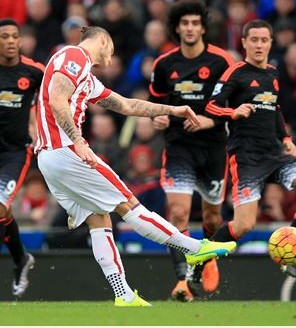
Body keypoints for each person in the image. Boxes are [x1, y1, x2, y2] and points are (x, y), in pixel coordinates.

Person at [34, 26, 236, 306]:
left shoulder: (87, 79)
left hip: (48, 158)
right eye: (111, 49)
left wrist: (172, 110)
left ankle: (123, 294)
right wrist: (79, 142)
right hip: (67, 150)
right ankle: (194, 248)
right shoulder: (75, 55)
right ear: (102, 40)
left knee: (99, 219)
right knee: (129, 205)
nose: (111, 56)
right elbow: (57, 98)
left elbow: (127, 106)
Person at [205, 19, 296, 278]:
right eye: (254, 40)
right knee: (243, 225)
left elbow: (274, 109)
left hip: (274, 153)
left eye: (264, 40)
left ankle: (289, 246)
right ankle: (201, 261)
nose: (259, 45)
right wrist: (233, 111)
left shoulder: (273, 74)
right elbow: (210, 106)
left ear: (271, 43)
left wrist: (285, 138)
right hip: (246, 157)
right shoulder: (235, 72)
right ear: (244, 43)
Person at [149, 0, 235, 301]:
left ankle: (207, 258)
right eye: (184, 23)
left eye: (195, 23)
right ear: (176, 27)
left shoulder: (222, 62)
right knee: (178, 212)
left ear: (203, 27)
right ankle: (182, 281)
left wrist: (208, 122)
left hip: (213, 148)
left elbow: (235, 107)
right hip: (178, 147)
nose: (189, 28)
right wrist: (157, 117)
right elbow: (156, 105)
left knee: (212, 219)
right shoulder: (164, 65)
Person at [0, 18, 43, 298]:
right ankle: (21, 259)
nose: (11, 41)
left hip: (15, 152)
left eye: (15, 36)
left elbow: (52, 97)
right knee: (3, 214)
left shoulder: (33, 70)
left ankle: (20, 260)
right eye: (5, 37)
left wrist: (38, 126)